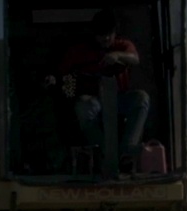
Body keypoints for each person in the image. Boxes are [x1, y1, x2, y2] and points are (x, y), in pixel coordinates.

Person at [44, 9, 150, 168]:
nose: (106, 38)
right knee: (83, 106)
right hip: (94, 101)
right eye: (101, 35)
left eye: (109, 33)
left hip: (119, 99)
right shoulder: (78, 52)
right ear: (94, 35)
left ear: (115, 33)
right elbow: (60, 74)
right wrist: (52, 79)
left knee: (141, 99)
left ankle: (127, 150)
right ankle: (105, 153)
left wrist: (117, 56)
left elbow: (134, 59)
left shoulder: (122, 46)